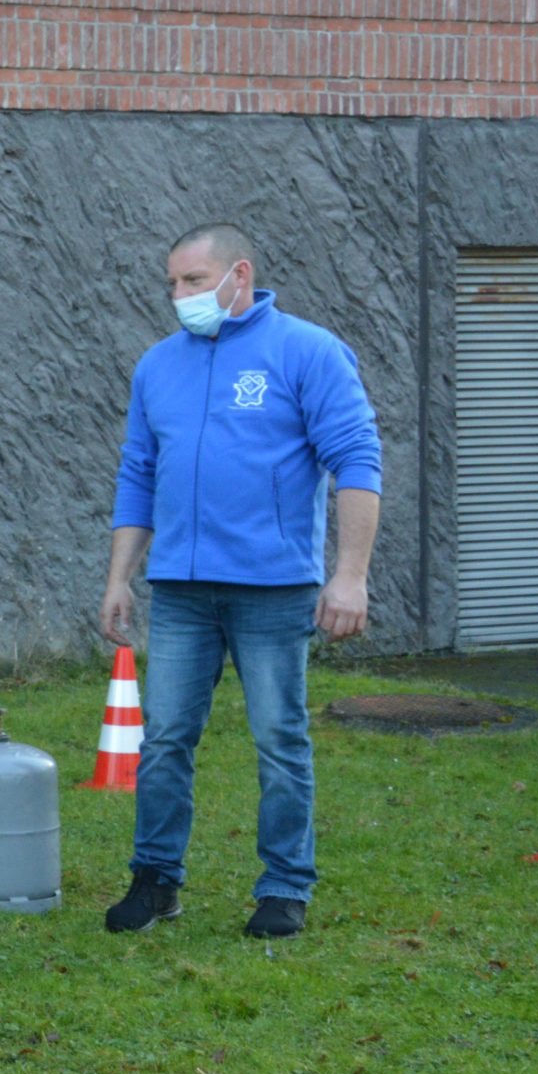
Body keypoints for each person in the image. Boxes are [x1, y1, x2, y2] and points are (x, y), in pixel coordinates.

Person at [100, 223, 382, 940]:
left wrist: (349, 576)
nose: (180, 296)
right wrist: (120, 578)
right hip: (182, 592)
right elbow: (138, 474)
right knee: (163, 739)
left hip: (273, 590)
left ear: (239, 274)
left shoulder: (307, 352)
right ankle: (155, 880)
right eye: (171, 284)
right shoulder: (158, 366)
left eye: (193, 281)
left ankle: (284, 887)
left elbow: (357, 462)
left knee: (279, 739)